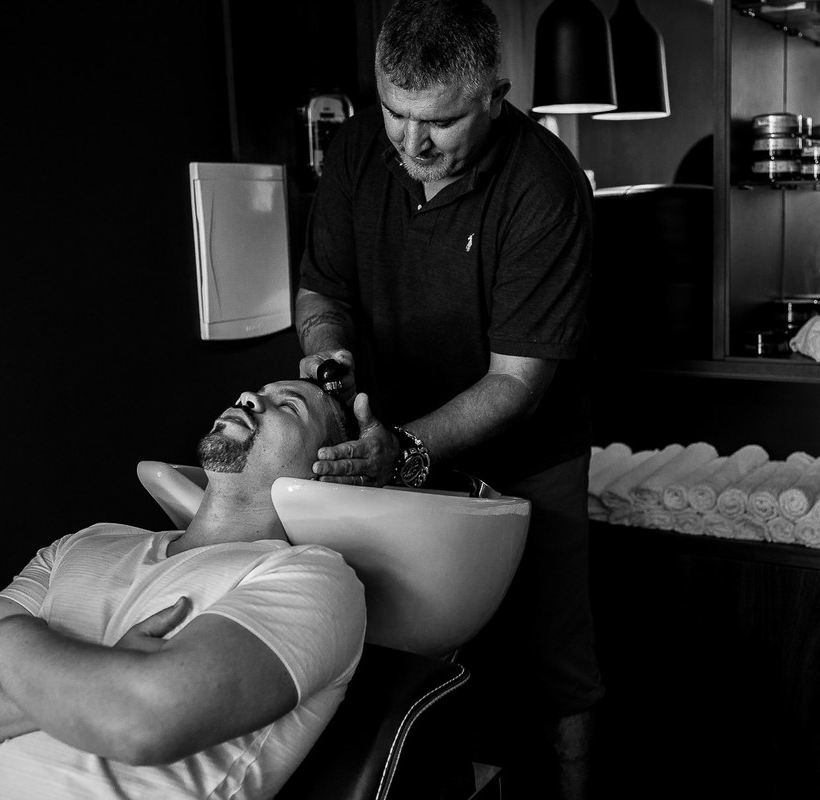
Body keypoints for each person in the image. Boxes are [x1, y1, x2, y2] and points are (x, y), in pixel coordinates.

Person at [294, 1, 603, 797]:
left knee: (550, 661)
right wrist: (329, 362)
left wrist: (403, 448)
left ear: (495, 96)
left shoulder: (545, 184)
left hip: (526, 453)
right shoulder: (362, 145)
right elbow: (323, 291)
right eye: (396, 114)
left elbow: (515, 383)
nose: (411, 143)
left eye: (439, 123)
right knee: (410, 653)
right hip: (384, 439)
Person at [0, 379, 366, 799]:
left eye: (290, 407)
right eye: (255, 392)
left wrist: (10, 637)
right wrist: (100, 685)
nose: (248, 398)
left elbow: (138, 723)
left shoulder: (312, 576)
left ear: (328, 468)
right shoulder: (85, 543)